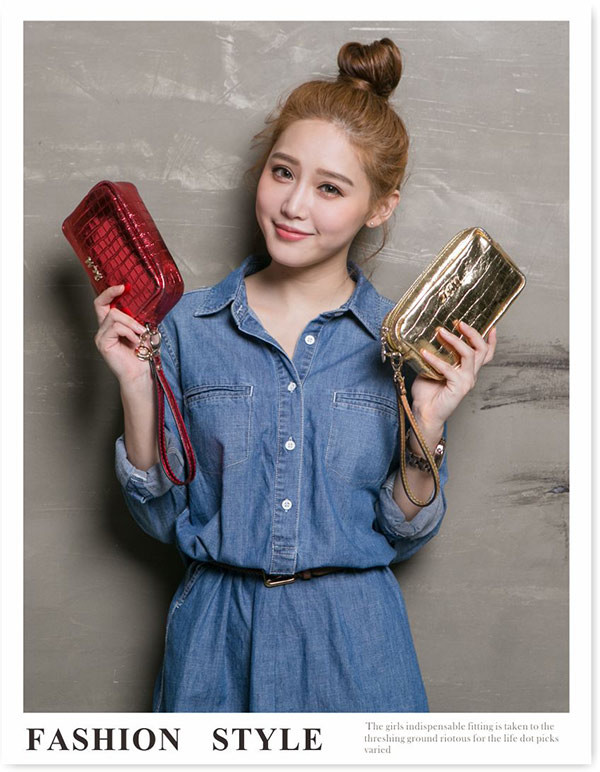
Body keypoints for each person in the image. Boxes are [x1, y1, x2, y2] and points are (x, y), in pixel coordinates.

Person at [93, 38, 496, 713]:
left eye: (329, 187)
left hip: (356, 650)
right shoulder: (186, 326)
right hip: (216, 646)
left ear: (380, 207)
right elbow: (160, 516)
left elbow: (406, 530)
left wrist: (425, 421)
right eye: (283, 172)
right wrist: (136, 384)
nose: (293, 204)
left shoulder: (403, 344)